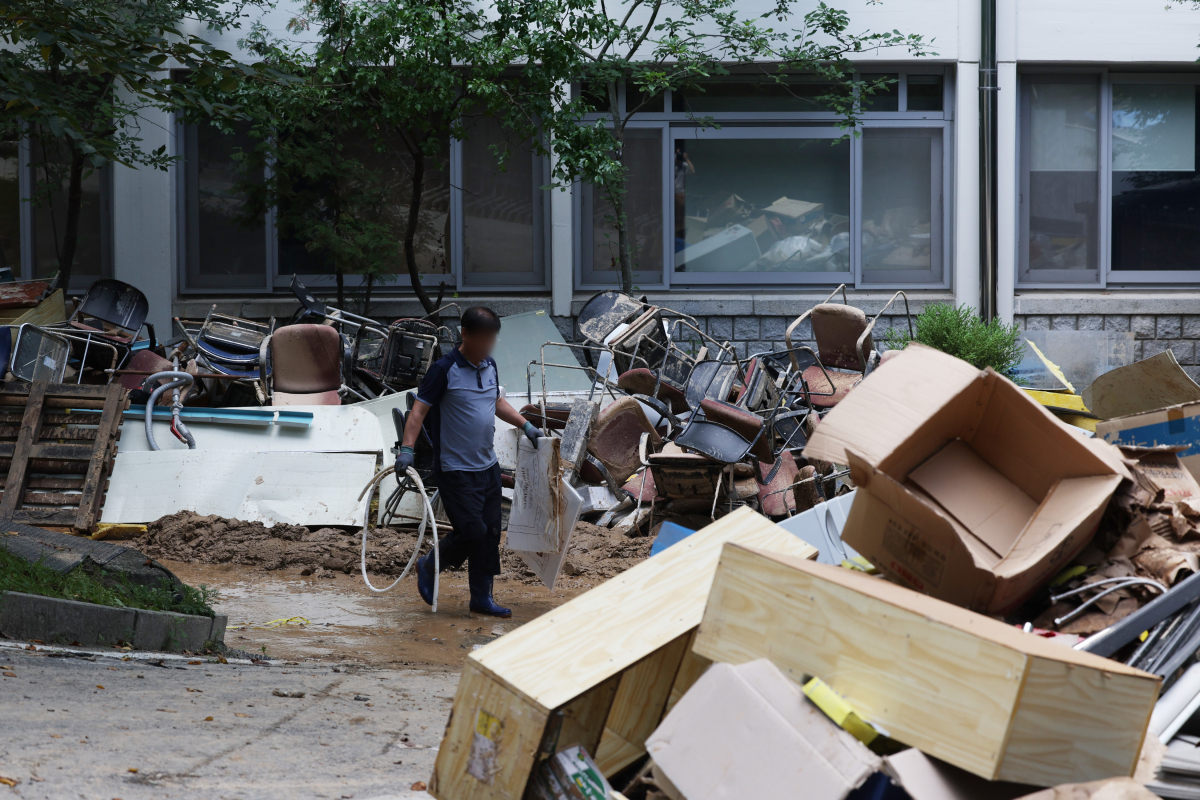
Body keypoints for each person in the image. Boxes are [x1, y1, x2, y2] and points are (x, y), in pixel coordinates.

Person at [394, 307, 541, 618]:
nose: (489, 345)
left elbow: (496, 401)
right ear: (465, 335)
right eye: (484, 338)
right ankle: (430, 563)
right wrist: (406, 450)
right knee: (472, 530)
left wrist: (525, 425)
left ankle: (481, 598)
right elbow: (418, 412)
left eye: (492, 339)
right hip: (455, 470)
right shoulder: (444, 370)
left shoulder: (489, 365)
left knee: (489, 533)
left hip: (487, 466)